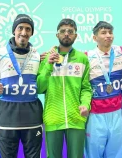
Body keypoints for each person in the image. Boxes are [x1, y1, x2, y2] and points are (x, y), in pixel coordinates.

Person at [0, 14, 43, 158]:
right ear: (14, 30)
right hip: (7, 120)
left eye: (28, 29)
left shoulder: (38, 56)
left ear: (32, 33)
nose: (24, 32)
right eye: (20, 28)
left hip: (33, 119)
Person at [37, 18, 92, 158]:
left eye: (70, 31)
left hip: (76, 119)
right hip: (53, 118)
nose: (66, 34)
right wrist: (48, 65)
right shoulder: (45, 58)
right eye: (63, 31)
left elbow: (86, 88)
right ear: (57, 35)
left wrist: (85, 104)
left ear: (76, 35)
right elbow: (39, 87)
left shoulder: (82, 58)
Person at [85, 21, 122, 158]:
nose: (108, 35)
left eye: (110, 32)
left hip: (116, 112)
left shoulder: (120, 51)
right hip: (96, 114)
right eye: (103, 32)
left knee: (116, 153)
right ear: (95, 38)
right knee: (93, 153)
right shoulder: (87, 56)